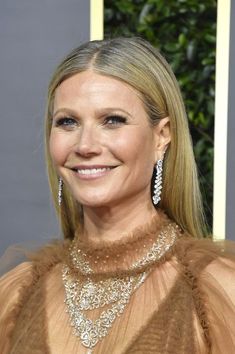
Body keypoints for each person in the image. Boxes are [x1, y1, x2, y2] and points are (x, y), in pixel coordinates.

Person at [0, 37, 234, 354]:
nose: (85, 145)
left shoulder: (217, 289)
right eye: (67, 122)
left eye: (112, 120)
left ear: (162, 136)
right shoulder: (16, 294)